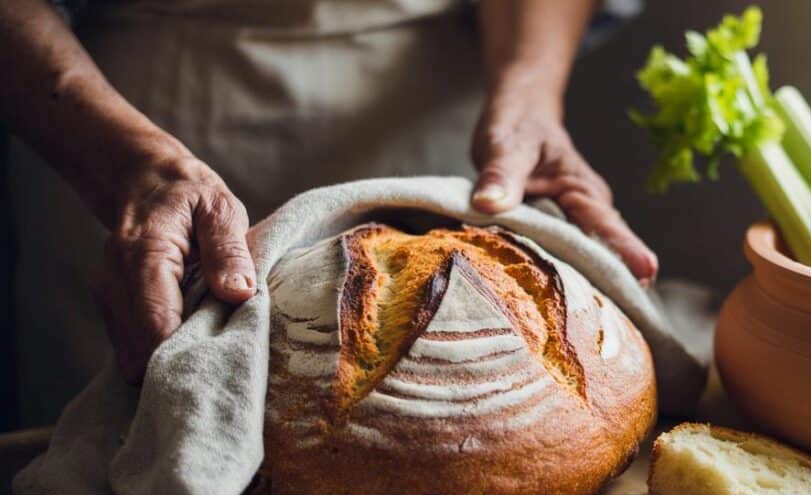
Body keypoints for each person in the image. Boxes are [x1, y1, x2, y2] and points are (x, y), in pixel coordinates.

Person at [0, 0, 658, 426]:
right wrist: (127, 168)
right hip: (117, 131)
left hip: (438, 126)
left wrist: (531, 91)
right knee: (125, 450)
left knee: (463, 427)